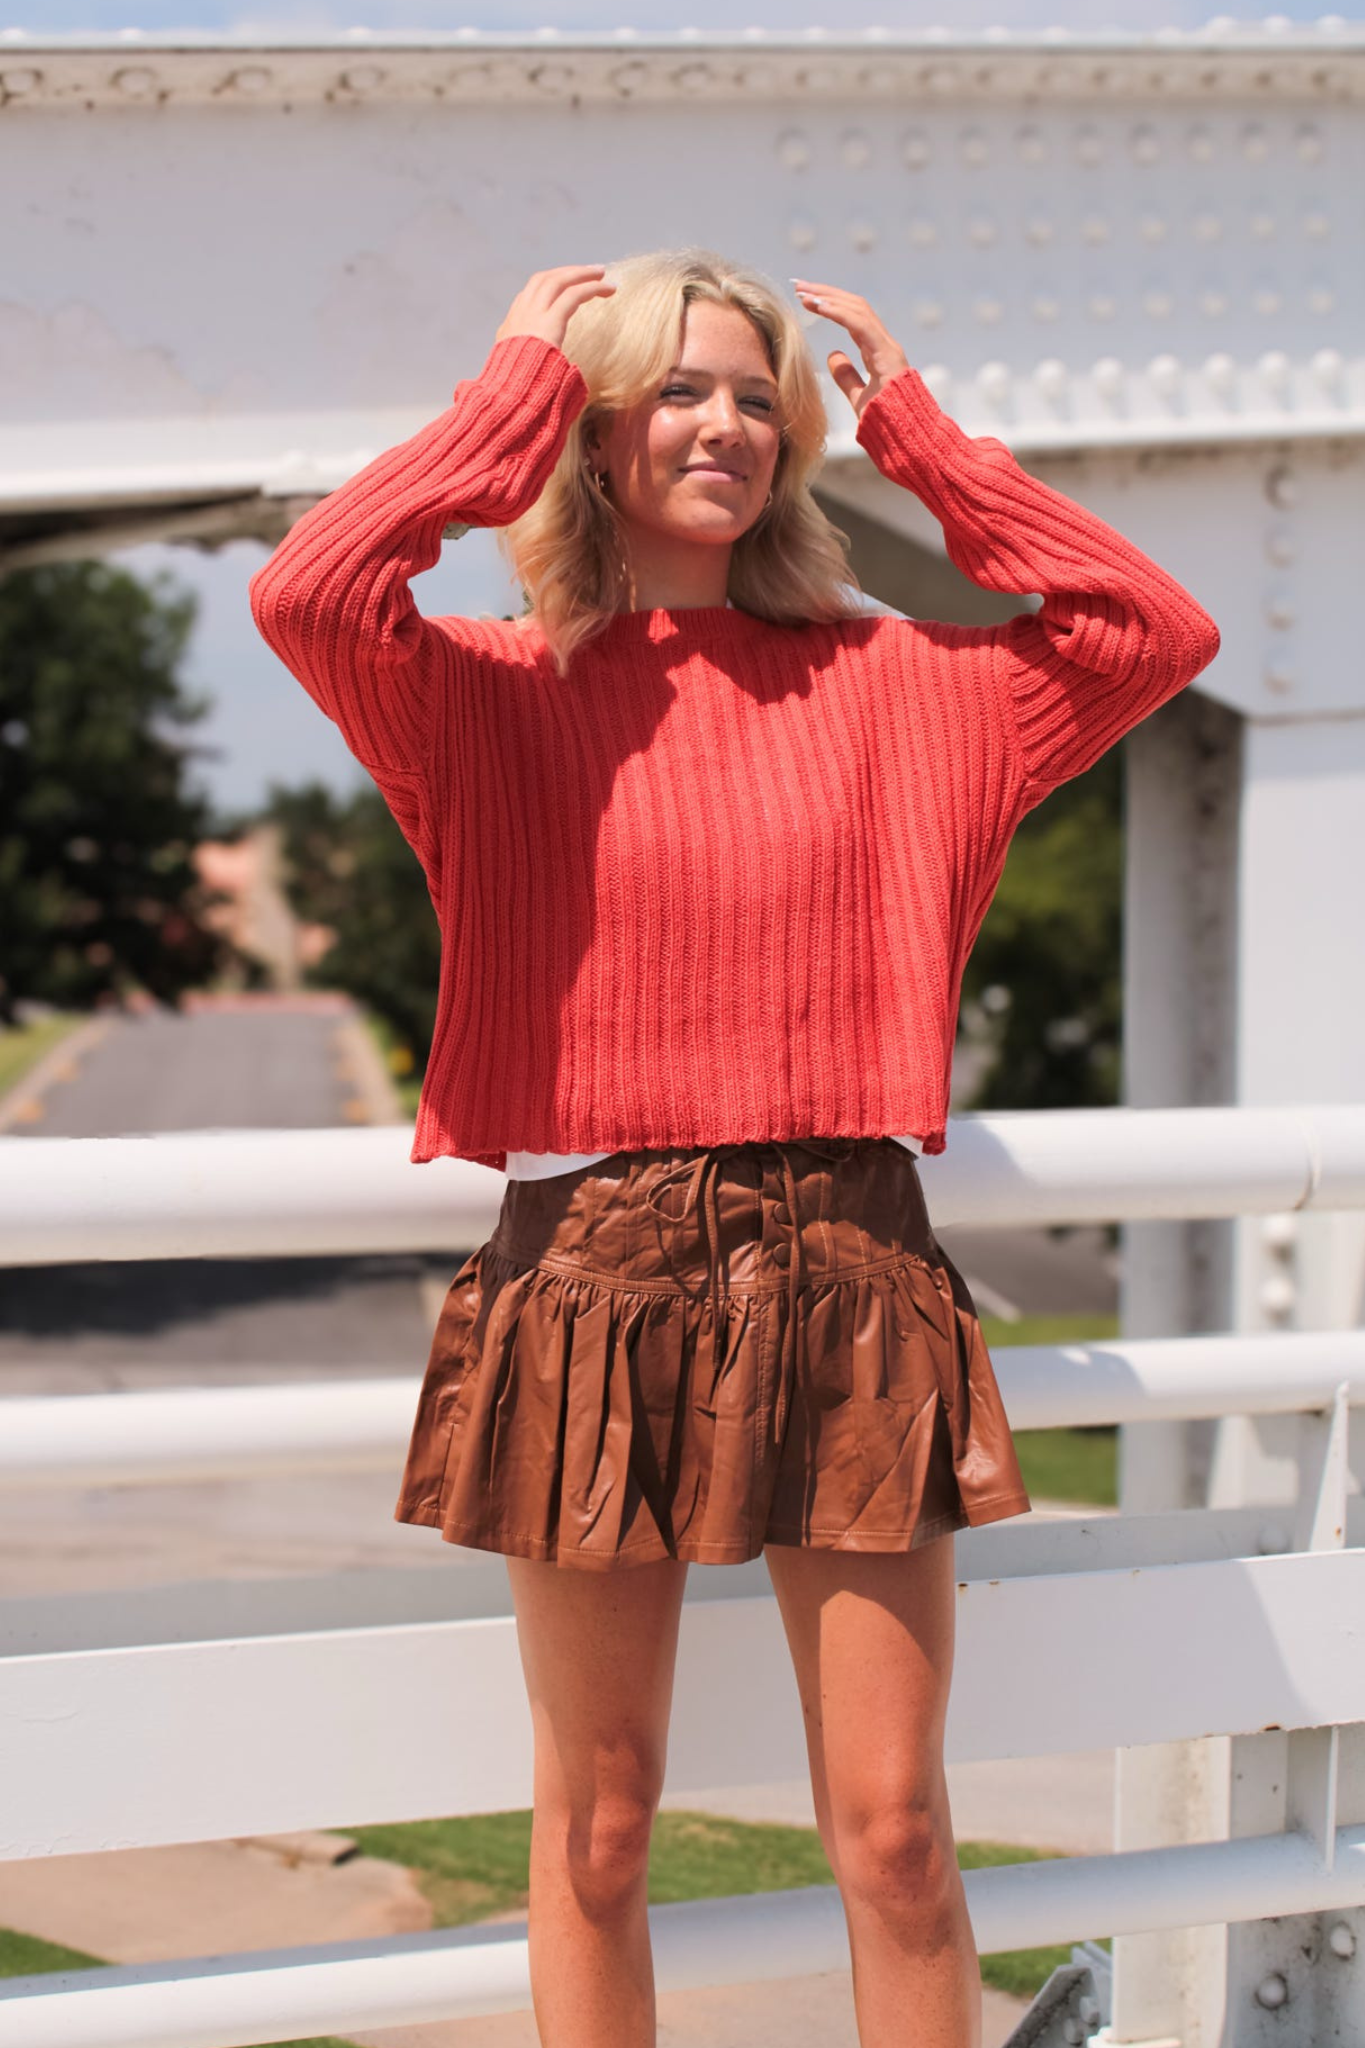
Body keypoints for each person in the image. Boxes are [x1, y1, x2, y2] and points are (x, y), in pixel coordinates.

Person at [249, 250, 1220, 2047]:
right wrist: (509, 390)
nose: (730, 424)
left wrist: (924, 440)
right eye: (681, 389)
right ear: (594, 425)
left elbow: (1153, 636)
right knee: (603, 1834)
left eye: (763, 395)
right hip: (594, 1270)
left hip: (854, 1259)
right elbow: (310, 588)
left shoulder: (912, 689)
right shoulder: (476, 694)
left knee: (902, 1835)